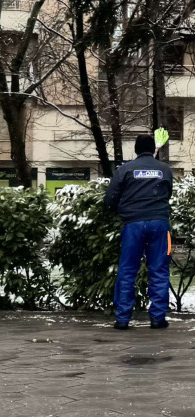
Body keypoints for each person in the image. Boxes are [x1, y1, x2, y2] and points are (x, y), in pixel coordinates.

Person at [104, 134, 173, 330]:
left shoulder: (125, 170)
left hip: (132, 225)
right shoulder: (165, 169)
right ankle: (158, 318)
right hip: (160, 224)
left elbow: (110, 199)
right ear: (153, 149)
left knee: (127, 271)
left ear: (135, 149)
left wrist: (122, 211)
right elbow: (168, 193)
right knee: (159, 270)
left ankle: (123, 319)